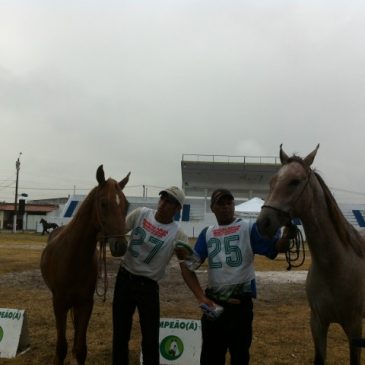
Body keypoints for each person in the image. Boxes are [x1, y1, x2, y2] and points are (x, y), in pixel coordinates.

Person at [176, 188, 294, 365]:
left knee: (240, 357)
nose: (225, 207)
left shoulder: (248, 227)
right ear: (212, 208)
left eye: (229, 202)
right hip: (214, 306)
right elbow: (188, 266)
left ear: (233, 205)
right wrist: (200, 297)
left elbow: (275, 247)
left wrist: (285, 239)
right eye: (220, 203)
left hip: (241, 308)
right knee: (210, 357)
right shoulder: (207, 233)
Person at [112, 186, 188, 365]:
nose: (163, 203)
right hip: (125, 277)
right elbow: (119, 231)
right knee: (120, 334)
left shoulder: (178, 234)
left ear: (178, 209)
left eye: (170, 201)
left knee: (150, 338)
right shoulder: (141, 213)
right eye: (163, 198)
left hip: (148, 286)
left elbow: (187, 263)